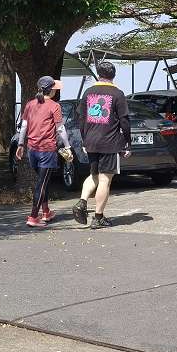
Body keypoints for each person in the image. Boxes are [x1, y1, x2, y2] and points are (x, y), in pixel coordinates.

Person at [74, 60, 131, 229]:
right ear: (113, 75)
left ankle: (82, 202)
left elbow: (81, 118)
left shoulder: (88, 92)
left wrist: (85, 139)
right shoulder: (117, 94)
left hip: (91, 141)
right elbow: (124, 120)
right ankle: (98, 217)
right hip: (109, 142)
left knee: (94, 175)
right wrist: (127, 141)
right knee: (105, 179)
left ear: (98, 74)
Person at [15, 75, 71, 227]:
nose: (56, 90)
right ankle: (33, 217)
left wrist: (20, 144)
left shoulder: (30, 104)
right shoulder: (54, 106)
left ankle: (46, 212)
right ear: (51, 90)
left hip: (32, 150)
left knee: (43, 181)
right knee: (41, 184)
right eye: (54, 88)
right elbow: (60, 128)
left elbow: (24, 126)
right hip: (47, 150)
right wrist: (67, 146)